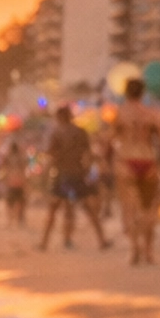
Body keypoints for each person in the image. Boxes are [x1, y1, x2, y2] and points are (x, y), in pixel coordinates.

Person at [110, 76, 160, 265]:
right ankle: (149, 252)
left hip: (126, 161)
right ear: (143, 93)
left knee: (130, 208)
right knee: (148, 209)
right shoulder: (152, 114)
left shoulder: (120, 113)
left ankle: (135, 248)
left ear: (126, 92)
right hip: (148, 160)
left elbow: (108, 140)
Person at [38, 103, 107, 250]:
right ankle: (101, 240)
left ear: (59, 117)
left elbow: (50, 152)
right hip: (78, 173)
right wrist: (86, 170)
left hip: (62, 174)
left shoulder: (57, 133)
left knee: (54, 209)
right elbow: (88, 154)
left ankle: (44, 242)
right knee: (88, 209)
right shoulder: (80, 132)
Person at [0, 132, 28, 226]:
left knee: (10, 202)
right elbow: (24, 169)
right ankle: (18, 218)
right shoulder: (21, 158)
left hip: (11, 182)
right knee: (20, 201)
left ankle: (10, 219)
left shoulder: (8, 158)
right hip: (19, 182)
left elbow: (4, 168)